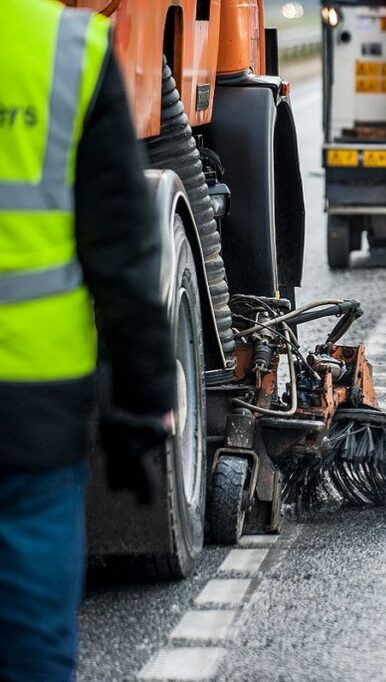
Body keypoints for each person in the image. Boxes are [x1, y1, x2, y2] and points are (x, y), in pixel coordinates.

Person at [0, 1, 176, 678]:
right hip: (32, 412)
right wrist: (140, 401)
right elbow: (122, 255)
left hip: (36, 413)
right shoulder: (66, 48)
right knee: (33, 652)